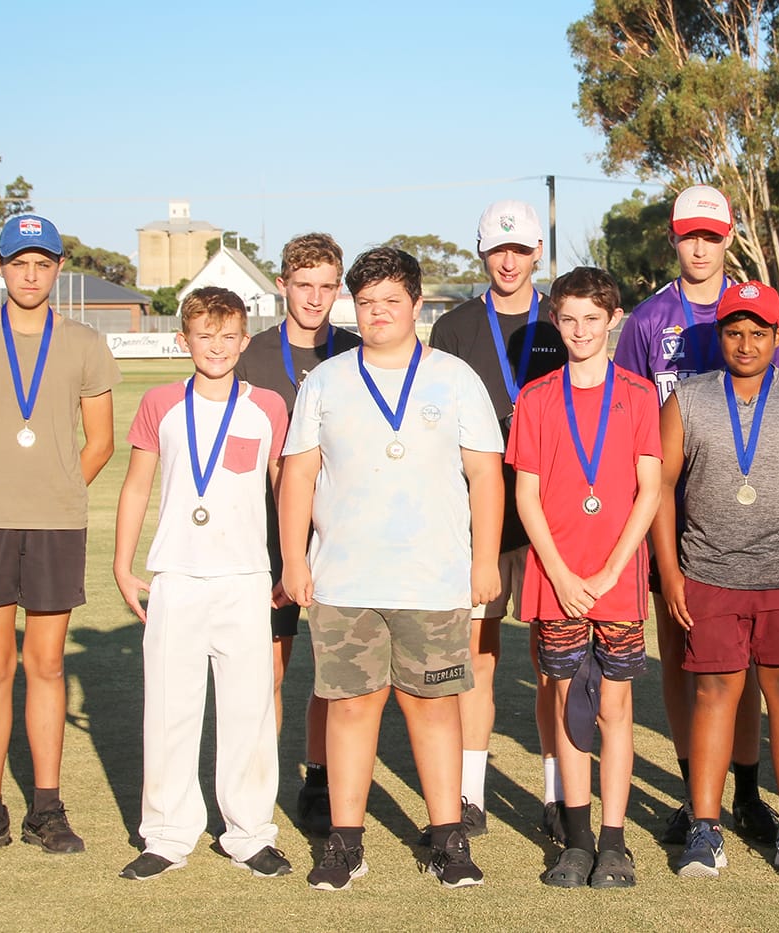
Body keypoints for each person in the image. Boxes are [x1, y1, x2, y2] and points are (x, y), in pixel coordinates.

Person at [279, 247, 504, 890]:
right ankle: (344, 842)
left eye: (391, 302)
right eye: (367, 303)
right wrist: (295, 558)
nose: (378, 314)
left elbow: (486, 474)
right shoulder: (326, 379)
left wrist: (484, 560)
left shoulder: (455, 377)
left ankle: (448, 837)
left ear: (416, 304)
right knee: (350, 707)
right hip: (344, 580)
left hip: (432, 579)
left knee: (434, 707)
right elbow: (298, 474)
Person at [0, 213, 120, 860]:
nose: (31, 274)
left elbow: (99, 443)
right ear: (1, 269)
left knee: (45, 663)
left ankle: (47, 807)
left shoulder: (87, 343)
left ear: (59, 268)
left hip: (56, 523)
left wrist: (57, 489)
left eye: (43, 263)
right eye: (19, 263)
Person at [613, 185, 779, 845]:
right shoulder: (644, 323)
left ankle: (745, 794)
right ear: (673, 236)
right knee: (677, 657)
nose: (699, 246)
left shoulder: (752, 309)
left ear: (728, 237)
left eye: (710, 235)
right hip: (670, 518)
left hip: (744, 527)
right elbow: (628, 420)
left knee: (739, 665)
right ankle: (696, 796)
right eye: (688, 234)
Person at [652, 282, 779, 879]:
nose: (745, 343)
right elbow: (660, 486)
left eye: (758, 332)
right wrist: (670, 572)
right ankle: (705, 828)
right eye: (734, 332)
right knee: (714, 696)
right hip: (710, 571)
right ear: (721, 335)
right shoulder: (687, 398)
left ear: (778, 335)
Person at [113, 286, 290, 881]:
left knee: (249, 713)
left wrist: (290, 562)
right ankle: (165, 834)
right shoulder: (160, 402)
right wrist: (122, 562)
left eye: (228, 335)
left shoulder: (267, 406)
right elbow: (137, 484)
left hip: (245, 578)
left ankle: (249, 833)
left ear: (245, 340)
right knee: (169, 710)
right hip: (177, 579)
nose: (216, 346)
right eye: (203, 335)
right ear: (183, 339)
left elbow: (284, 490)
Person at [507, 267, 661, 889]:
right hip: (557, 579)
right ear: (555, 321)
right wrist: (566, 575)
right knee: (570, 707)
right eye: (567, 320)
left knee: (616, 707)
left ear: (613, 318)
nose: (579, 331)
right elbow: (527, 496)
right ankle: (576, 840)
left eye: (591, 319)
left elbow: (649, 491)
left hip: (617, 579)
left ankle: (616, 842)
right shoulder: (539, 397)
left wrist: (608, 570)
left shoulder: (640, 394)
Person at [429, 199, 568, 840]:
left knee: (551, 663)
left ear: (537, 252)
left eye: (519, 250)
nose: (508, 262)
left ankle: (558, 793)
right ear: (481, 253)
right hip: (475, 519)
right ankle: (471, 795)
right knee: (477, 658)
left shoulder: (565, 321)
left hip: (550, 518)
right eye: (496, 250)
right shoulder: (455, 327)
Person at [234, 233, 361, 836]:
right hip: (263, 534)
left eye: (326, 286)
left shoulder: (360, 349)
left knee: (335, 670)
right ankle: (257, 784)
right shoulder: (249, 354)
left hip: (341, 534)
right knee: (271, 669)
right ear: (281, 284)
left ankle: (318, 777)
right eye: (303, 285)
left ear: (339, 289)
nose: (314, 298)